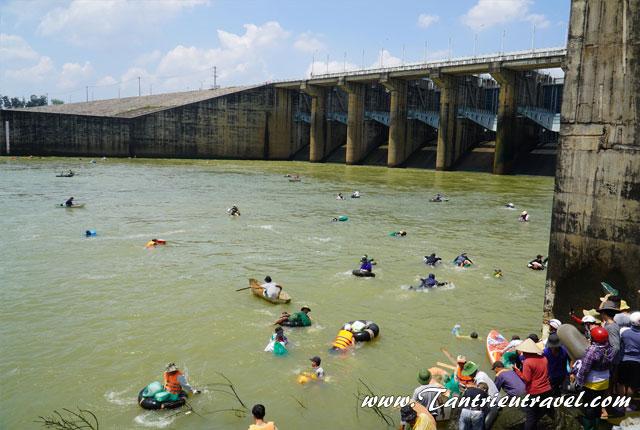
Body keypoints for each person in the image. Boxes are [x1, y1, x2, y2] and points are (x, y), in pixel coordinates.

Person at [573, 326, 615, 430]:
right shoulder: (610, 348)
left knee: (589, 405)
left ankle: (588, 427)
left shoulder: (592, 350)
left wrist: (579, 382)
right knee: (598, 403)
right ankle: (596, 425)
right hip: (605, 380)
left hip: (592, 382)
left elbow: (584, 369)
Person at [512, 339, 553, 430]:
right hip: (547, 389)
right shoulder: (544, 358)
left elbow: (527, 379)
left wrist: (517, 371)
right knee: (539, 412)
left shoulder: (527, 362)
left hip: (535, 392)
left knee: (530, 416)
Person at [619, 312, 640, 397]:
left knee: (621, 383)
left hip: (624, 360)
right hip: (637, 362)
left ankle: (621, 403)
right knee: (632, 385)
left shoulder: (623, 331)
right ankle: (627, 404)